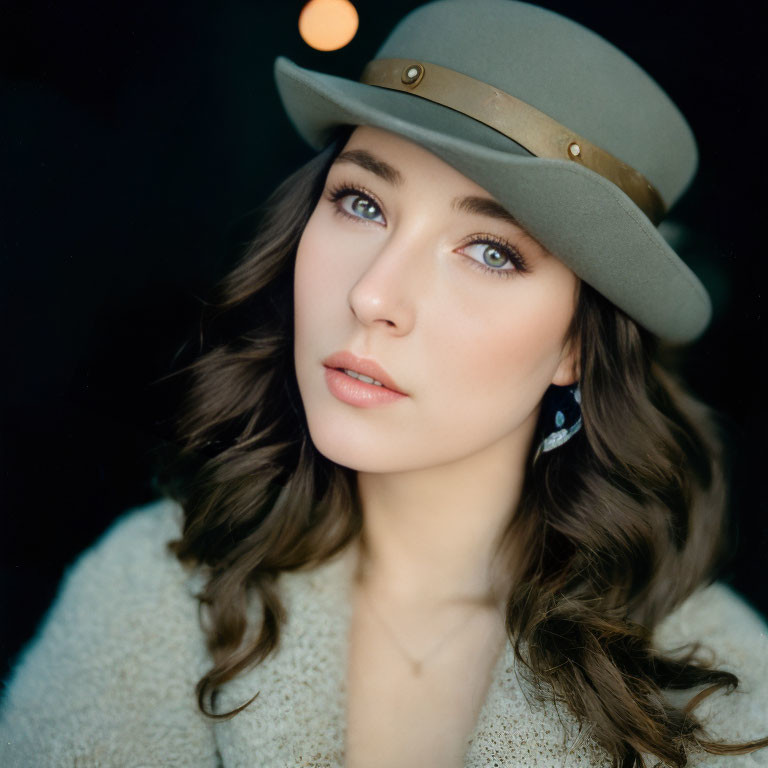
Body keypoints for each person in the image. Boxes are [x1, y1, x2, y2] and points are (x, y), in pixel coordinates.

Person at [1, 0, 766, 766]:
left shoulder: (727, 695)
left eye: (490, 251)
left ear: (577, 346)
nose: (372, 295)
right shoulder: (142, 601)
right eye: (362, 203)